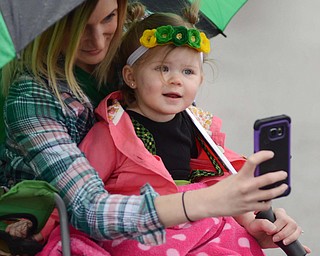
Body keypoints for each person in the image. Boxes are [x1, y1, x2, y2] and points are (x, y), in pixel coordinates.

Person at [0, 0, 309, 255]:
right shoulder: (33, 97)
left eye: (108, 18)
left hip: (183, 214)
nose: (97, 42)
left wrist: (250, 215)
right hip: (102, 224)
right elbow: (86, 207)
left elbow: (202, 160)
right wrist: (206, 202)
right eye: (76, 27)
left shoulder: (142, 43)